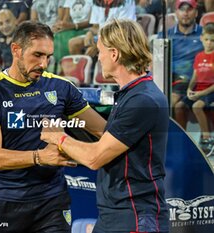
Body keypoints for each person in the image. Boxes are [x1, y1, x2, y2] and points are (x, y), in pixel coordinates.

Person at [0, 21, 106, 233]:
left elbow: (103, 132)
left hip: (53, 201)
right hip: (7, 202)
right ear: (16, 50)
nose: (43, 64)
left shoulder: (61, 88)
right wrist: (40, 157)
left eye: (48, 57)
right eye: (37, 55)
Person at [41, 19, 170, 233]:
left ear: (114, 54)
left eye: (100, 51)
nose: (97, 57)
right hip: (115, 213)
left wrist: (57, 137)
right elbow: (110, 144)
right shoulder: (132, 94)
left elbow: (95, 157)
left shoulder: (143, 100)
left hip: (135, 215)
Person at [175, 23, 214, 153]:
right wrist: (189, 89)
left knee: (197, 106)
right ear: (202, 38)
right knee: (179, 106)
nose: (209, 43)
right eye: (207, 39)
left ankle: (207, 140)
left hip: (210, 91)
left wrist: (200, 93)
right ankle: (183, 139)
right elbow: (195, 76)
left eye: (212, 40)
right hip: (198, 90)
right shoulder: (199, 56)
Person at [158, 0, 203, 107]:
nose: (185, 13)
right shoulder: (165, 35)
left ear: (196, 13)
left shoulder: (205, 35)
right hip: (169, 79)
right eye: (182, 9)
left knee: (170, 102)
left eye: (189, 9)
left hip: (195, 81)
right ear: (176, 12)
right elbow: (157, 61)